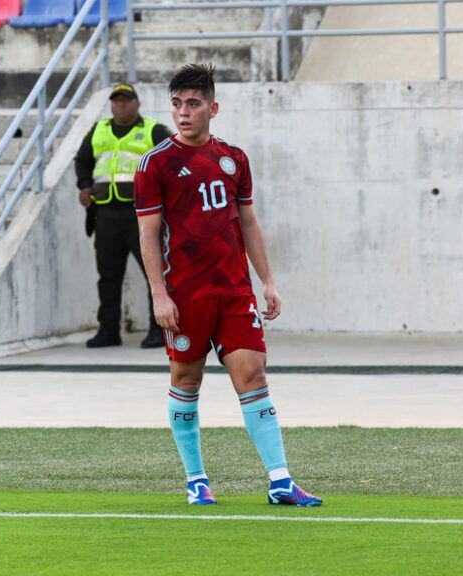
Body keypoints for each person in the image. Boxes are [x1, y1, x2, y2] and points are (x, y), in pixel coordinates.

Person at [134, 64, 321, 507]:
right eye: (177, 104)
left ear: (212, 108)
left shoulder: (233, 158)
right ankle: (196, 479)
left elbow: (249, 222)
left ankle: (280, 481)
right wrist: (159, 294)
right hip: (185, 295)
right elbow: (147, 234)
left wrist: (268, 282)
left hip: (235, 291)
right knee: (186, 379)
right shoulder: (156, 163)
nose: (183, 112)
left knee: (253, 376)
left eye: (193, 104)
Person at [74, 82, 170, 349]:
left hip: (141, 216)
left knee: (155, 274)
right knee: (108, 276)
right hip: (105, 214)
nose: (120, 105)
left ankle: (159, 330)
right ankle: (108, 330)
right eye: (116, 101)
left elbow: (173, 163)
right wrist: (84, 186)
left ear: (137, 104)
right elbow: (82, 161)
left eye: (126, 100)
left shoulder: (153, 130)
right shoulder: (98, 131)